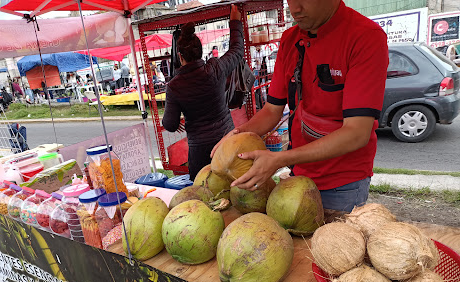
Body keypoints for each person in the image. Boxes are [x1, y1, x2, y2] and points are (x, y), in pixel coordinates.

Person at [212, 0, 389, 213]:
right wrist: (237, 135)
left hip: (342, 184)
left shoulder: (365, 37)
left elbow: (357, 132)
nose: (295, 9)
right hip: (299, 174)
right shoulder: (290, 40)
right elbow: (271, 110)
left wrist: (279, 159)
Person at [162, 5, 244, 180]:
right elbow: (237, 50)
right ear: (200, 52)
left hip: (199, 150)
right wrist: (235, 22)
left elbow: (169, 124)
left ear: (180, 56)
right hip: (226, 139)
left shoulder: (174, 86)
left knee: (203, 191)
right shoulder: (215, 68)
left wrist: (178, 120)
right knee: (235, 184)